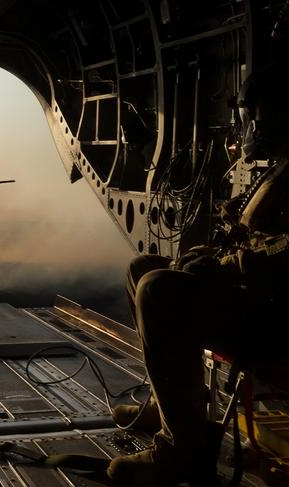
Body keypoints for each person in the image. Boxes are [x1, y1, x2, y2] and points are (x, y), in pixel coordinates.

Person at [106, 63, 289, 486]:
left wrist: (227, 266)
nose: (251, 127)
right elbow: (256, 239)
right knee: (143, 270)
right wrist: (210, 255)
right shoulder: (281, 167)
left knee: (158, 292)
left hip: (278, 320)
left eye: (257, 117)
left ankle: (184, 450)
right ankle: (170, 407)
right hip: (263, 299)